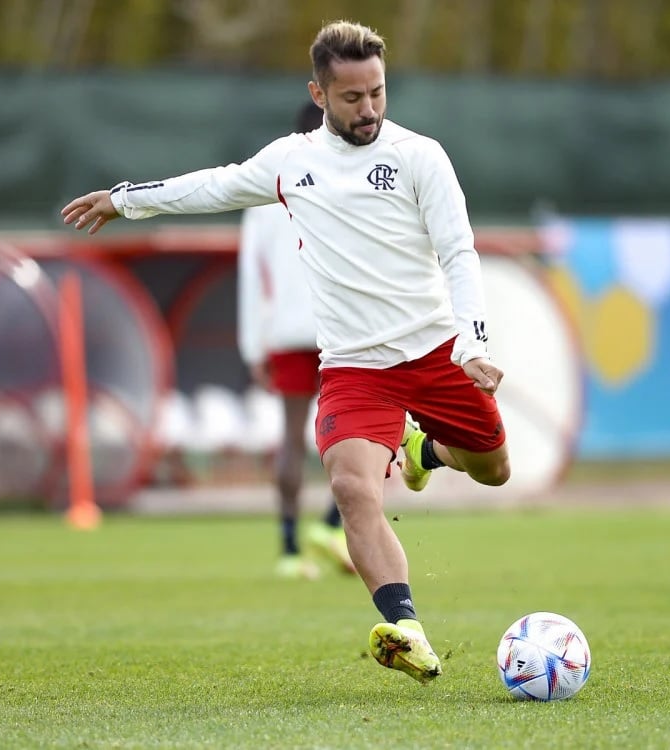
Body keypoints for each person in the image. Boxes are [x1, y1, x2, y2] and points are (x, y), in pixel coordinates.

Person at [62, 19, 510, 685]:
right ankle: (406, 626)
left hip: (434, 351)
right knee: (352, 487)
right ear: (320, 93)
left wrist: (473, 340)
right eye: (353, 97)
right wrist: (126, 201)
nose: (369, 110)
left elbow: (458, 251)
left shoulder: (422, 157)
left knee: (494, 468)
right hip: (356, 367)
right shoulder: (292, 161)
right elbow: (211, 186)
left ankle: (425, 452)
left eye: (378, 94)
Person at [238, 101, 357, 581]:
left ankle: (289, 551)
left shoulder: (267, 189)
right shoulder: (348, 183)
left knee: (290, 438)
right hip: (340, 328)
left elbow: (252, 274)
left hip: (285, 330)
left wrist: (253, 345)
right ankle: (330, 527)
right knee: (360, 432)